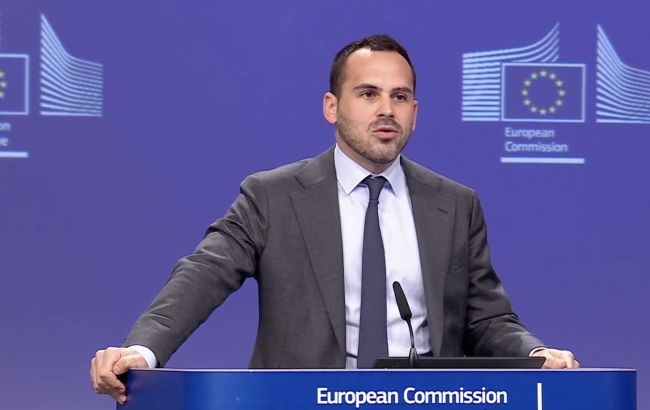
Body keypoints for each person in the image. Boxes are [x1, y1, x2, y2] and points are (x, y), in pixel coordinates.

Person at [91, 34, 578, 404]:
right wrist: (142, 351)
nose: (386, 110)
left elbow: (487, 319)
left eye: (400, 97)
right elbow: (201, 277)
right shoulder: (273, 196)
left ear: (415, 113)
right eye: (368, 94)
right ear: (332, 107)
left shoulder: (454, 204)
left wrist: (534, 354)